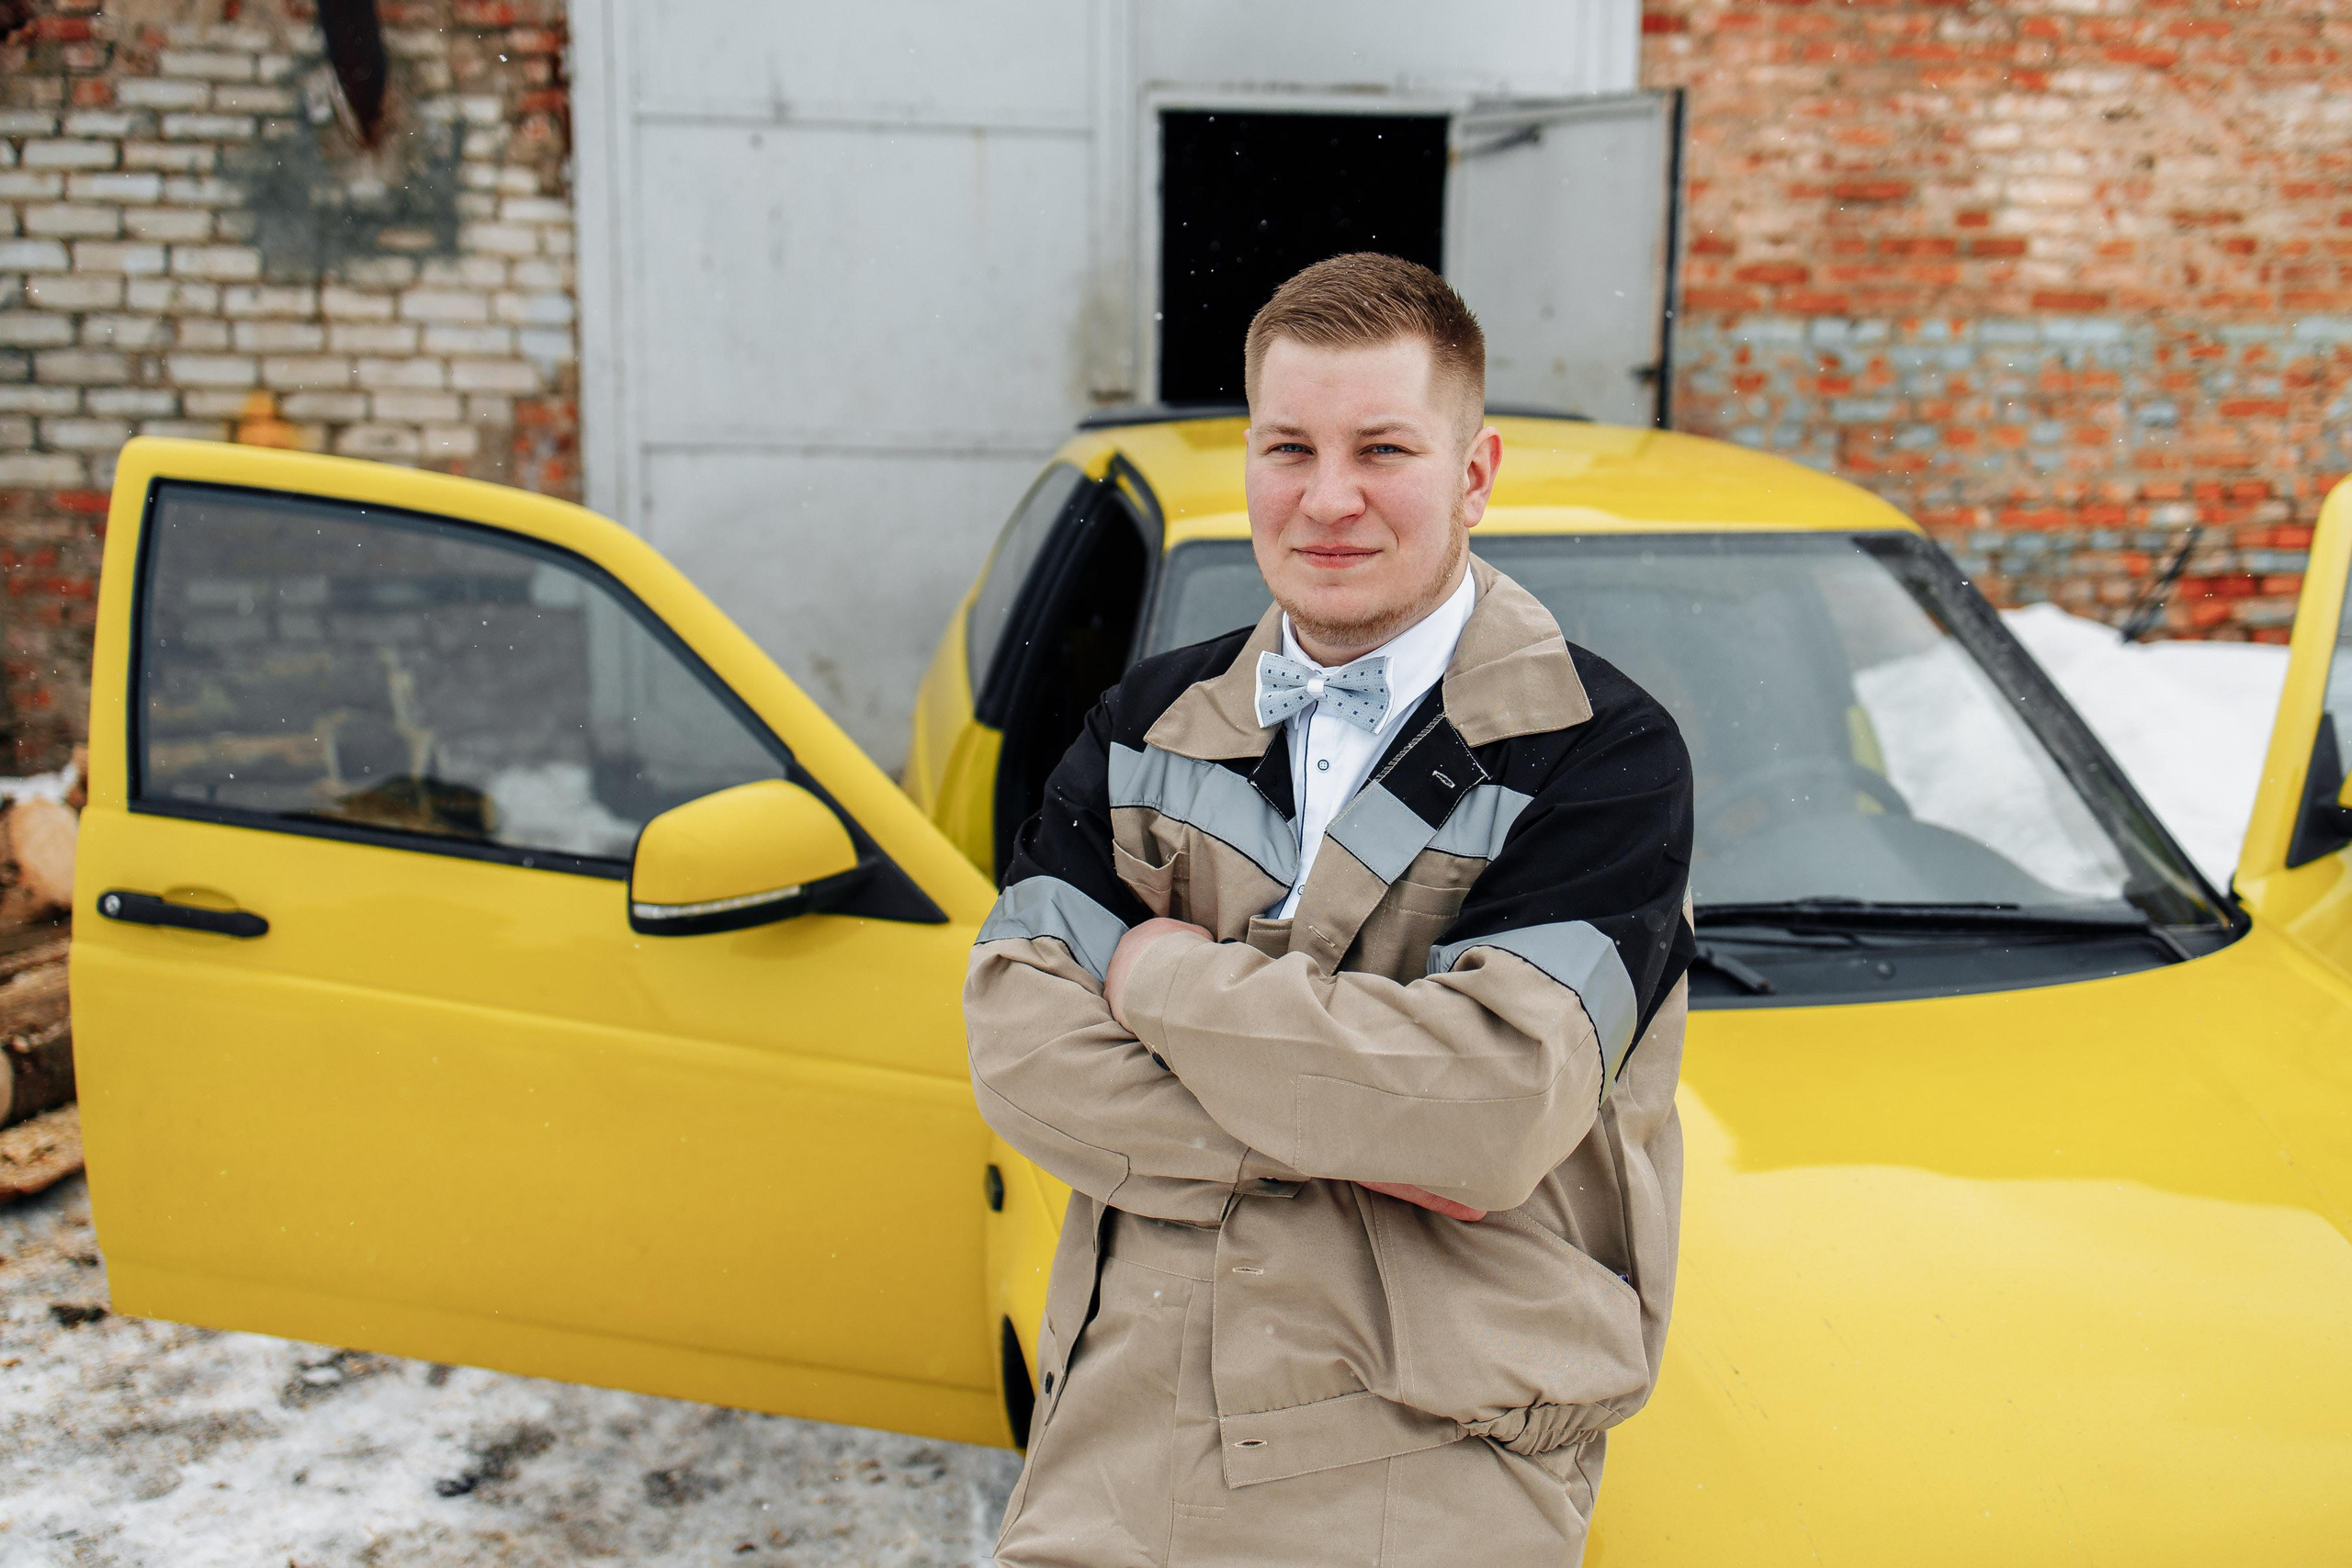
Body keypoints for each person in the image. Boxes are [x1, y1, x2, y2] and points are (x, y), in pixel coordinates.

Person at [965, 253, 1695, 1566]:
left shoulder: (1599, 752)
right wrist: (1373, 1134)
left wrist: (1152, 984)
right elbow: (1019, 1059)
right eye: (1289, 447)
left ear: (1475, 474)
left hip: (1427, 1464)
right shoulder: (1143, 728)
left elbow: (1484, 1110)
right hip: (1122, 1455)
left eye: (1384, 449)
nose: (1329, 498)